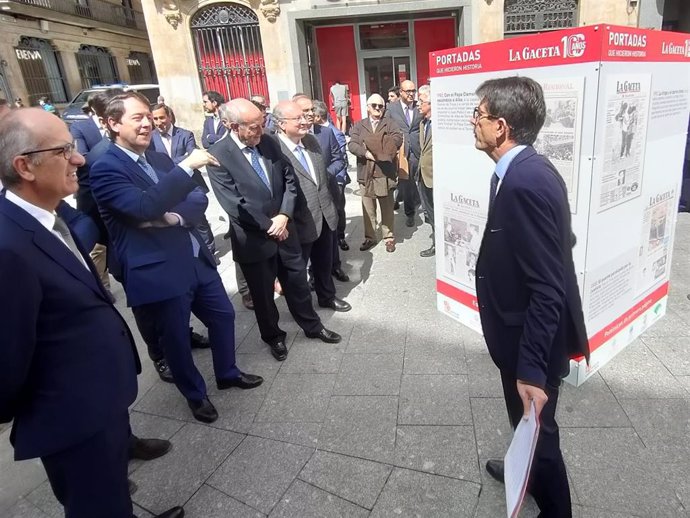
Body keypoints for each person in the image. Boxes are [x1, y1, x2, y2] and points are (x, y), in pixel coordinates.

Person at [0, 107, 183, 518]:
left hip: (100, 395)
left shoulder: (48, 214)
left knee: (112, 494)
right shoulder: (8, 247)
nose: (80, 158)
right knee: (95, 505)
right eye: (65, 150)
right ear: (24, 166)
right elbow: (8, 357)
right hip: (71, 414)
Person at [90, 92, 263, 424]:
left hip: (194, 256)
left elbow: (197, 197)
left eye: (148, 117)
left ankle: (227, 372)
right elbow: (143, 208)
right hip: (158, 267)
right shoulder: (106, 168)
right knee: (176, 338)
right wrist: (184, 167)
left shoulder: (158, 159)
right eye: (137, 118)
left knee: (223, 316)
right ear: (113, 124)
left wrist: (173, 217)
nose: (147, 124)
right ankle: (195, 395)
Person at [471, 76, 589, 518]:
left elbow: (546, 285)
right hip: (515, 330)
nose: (473, 122)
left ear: (500, 126)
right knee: (525, 425)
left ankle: (555, 509)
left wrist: (534, 371)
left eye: (478, 115)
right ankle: (524, 470)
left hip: (528, 340)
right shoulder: (515, 170)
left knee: (541, 432)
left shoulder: (525, 182)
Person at [206, 99, 342, 362]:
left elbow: (290, 180)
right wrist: (270, 225)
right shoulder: (218, 155)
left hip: (285, 230)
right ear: (230, 126)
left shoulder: (268, 142)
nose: (260, 131)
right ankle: (274, 337)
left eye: (262, 124)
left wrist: (283, 215)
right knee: (264, 296)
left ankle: (312, 326)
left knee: (297, 283)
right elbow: (234, 204)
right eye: (253, 127)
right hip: (254, 240)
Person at [273, 100, 351, 312]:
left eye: (305, 115)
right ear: (280, 124)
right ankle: (301, 310)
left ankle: (327, 297)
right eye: (297, 118)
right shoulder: (273, 150)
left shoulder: (312, 141)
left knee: (324, 264)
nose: (305, 120)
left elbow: (322, 178)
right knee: (296, 272)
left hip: (324, 214)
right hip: (297, 221)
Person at [150, 102, 217, 260]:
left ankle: (210, 250)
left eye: (162, 117)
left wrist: (168, 163)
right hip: (168, 186)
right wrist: (184, 160)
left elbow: (193, 155)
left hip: (190, 184)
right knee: (178, 218)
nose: (159, 122)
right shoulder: (151, 139)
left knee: (200, 220)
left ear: (170, 117)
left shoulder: (185, 134)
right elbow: (152, 161)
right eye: (155, 119)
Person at [348, 94, 402, 253]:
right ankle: (370, 237)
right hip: (366, 172)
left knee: (386, 208)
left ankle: (389, 237)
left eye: (380, 106)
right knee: (368, 208)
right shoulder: (359, 125)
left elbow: (397, 140)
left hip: (385, 172)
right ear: (367, 107)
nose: (378, 108)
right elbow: (352, 144)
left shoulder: (390, 124)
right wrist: (367, 153)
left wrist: (376, 147)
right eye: (374, 105)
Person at [313, 99, 351, 280]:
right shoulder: (285, 140)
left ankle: (335, 266)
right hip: (307, 197)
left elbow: (339, 158)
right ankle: (313, 273)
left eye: (310, 111)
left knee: (332, 227)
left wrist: (325, 175)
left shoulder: (327, 133)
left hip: (329, 187)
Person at [385, 79, 422, 227]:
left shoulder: (419, 107)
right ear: (401, 92)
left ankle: (420, 202)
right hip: (401, 152)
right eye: (408, 91)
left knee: (418, 181)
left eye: (413, 91)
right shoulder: (392, 109)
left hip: (418, 150)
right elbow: (386, 128)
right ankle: (410, 213)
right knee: (407, 183)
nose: (412, 94)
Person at [417, 85, 435, 257]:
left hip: (436, 177)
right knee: (429, 212)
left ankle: (438, 244)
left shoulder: (439, 124)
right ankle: (436, 242)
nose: (418, 105)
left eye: (421, 102)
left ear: (431, 103)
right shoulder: (423, 123)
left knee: (437, 213)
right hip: (423, 175)